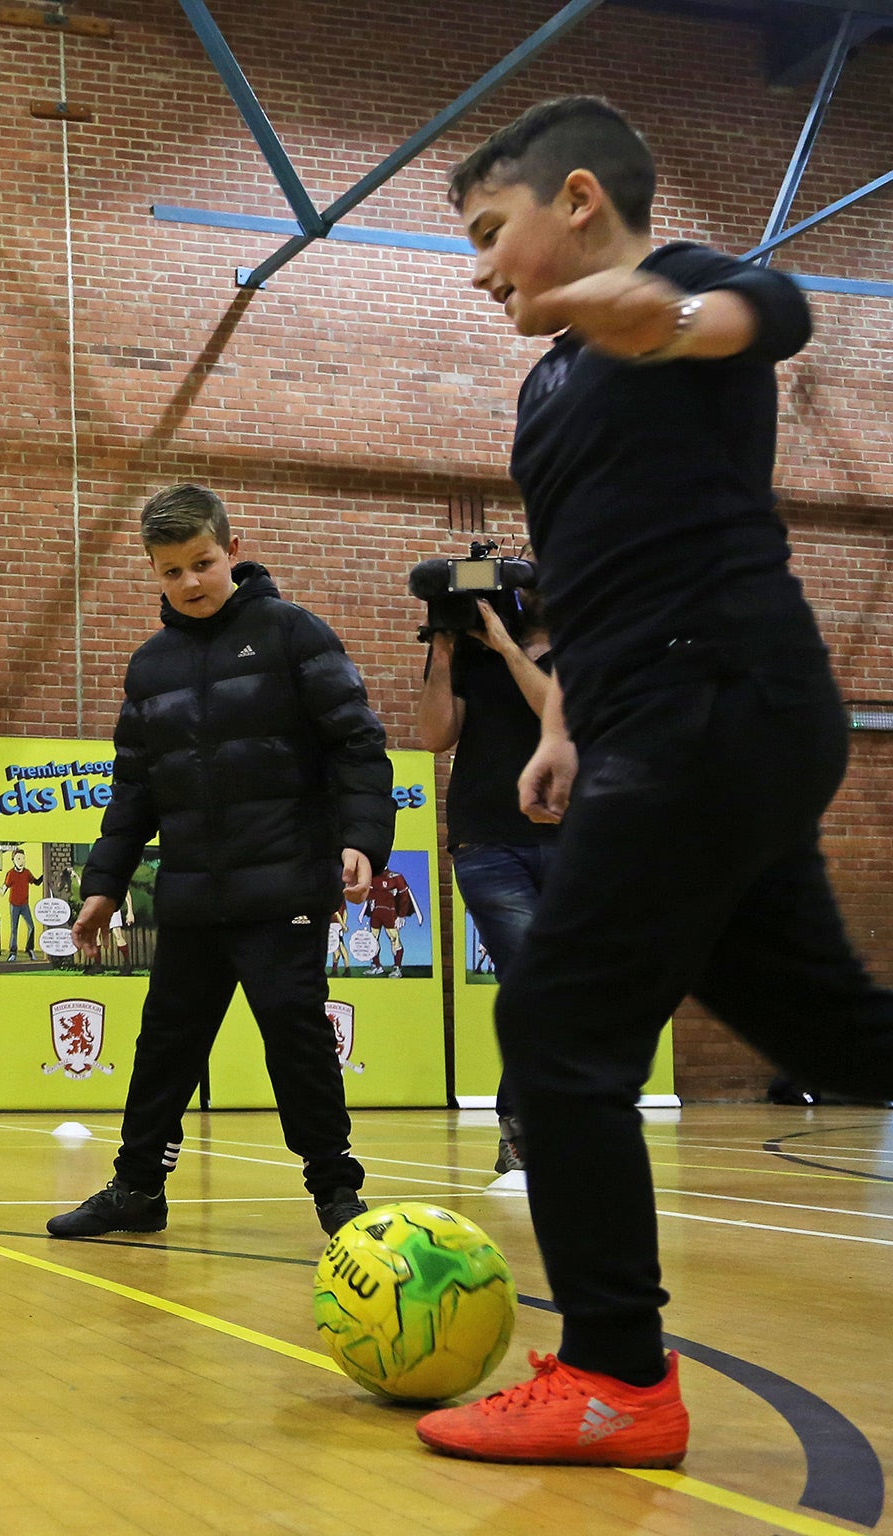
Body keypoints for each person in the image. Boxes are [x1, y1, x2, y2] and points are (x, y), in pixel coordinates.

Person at [414, 96, 893, 1468]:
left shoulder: (681, 288)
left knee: (557, 1033)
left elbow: (775, 308)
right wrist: (562, 720)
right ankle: (618, 1379)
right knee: (833, 1036)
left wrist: (673, 324)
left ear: (577, 200)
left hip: (719, 696)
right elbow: (596, 578)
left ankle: (619, 1379)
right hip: (653, 718)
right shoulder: (549, 383)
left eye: (490, 232)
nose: (480, 267)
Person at [45, 484, 394, 1242]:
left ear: (233, 551)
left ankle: (336, 1192)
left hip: (284, 888)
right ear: (153, 573)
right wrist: (103, 885)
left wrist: (363, 839)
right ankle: (137, 1189)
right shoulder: (150, 665)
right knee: (165, 1042)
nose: (190, 583)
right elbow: (135, 788)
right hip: (194, 896)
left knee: (294, 1034)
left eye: (201, 563)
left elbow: (358, 745)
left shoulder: (295, 635)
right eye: (170, 572)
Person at [419, 590, 556, 1174]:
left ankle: (545, 1126)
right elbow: (433, 735)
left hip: (574, 837)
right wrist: (445, 651)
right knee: (530, 979)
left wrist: (503, 644)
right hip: (487, 843)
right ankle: (522, 1134)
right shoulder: (471, 657)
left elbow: (559, 711)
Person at [362, 861, 424, 976]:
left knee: (394, 939)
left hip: (390, 913)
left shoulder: (396, 877)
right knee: (372, 939)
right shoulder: (371, 876)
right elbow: (368, 895)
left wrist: (401, 915)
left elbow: (404, 897)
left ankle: (397, 968)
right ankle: (376, 965)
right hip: (376, 913)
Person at [2, 849, 42, 959]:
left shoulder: (27, 873)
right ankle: (13, 953)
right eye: (18, 858)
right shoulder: (10, 874)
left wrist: (45, 875)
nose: (21, 861)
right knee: (14, 929)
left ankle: (29, 949)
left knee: (31, 927)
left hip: (24, 905)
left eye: (23, 858)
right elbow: (2, 891)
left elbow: (37, 882)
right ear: (13, 860)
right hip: (14, 905)